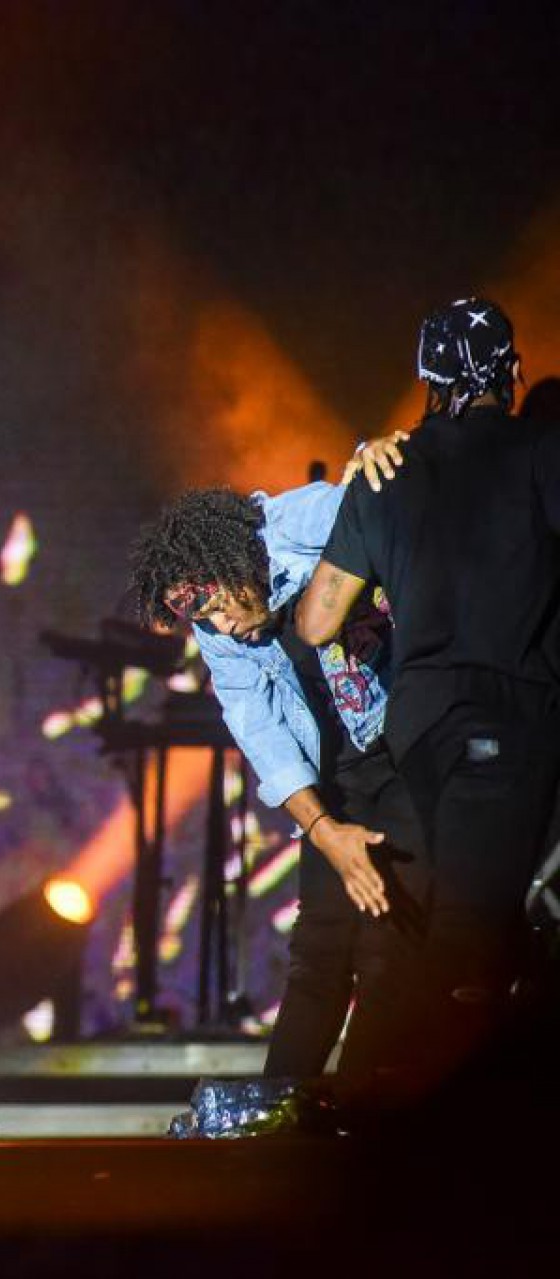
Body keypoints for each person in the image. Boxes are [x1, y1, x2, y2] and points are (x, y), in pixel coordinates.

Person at [296, 296, 560, 1102]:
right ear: (511, 372)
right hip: (505, 723)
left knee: (431, 927)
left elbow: (315, 621)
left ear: (426, 378)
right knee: (469, 937)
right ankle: (423, 1124)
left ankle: (379, 1100)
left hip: (414, 733)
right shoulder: (541, 452)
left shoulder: (386, 470)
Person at [129, 465, 425, 1084]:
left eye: (219, 608)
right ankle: (276, 1117)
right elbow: (258, 729)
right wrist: (323, 831)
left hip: (410, 752)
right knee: (317, 954)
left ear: (236, 563)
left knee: (387, 950)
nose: (221, 627)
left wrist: (381, 456)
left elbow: (394, 499)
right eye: (205, 620)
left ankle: (361, 1121)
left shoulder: (302, 523)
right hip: (338, 772)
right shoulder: (217, 631)